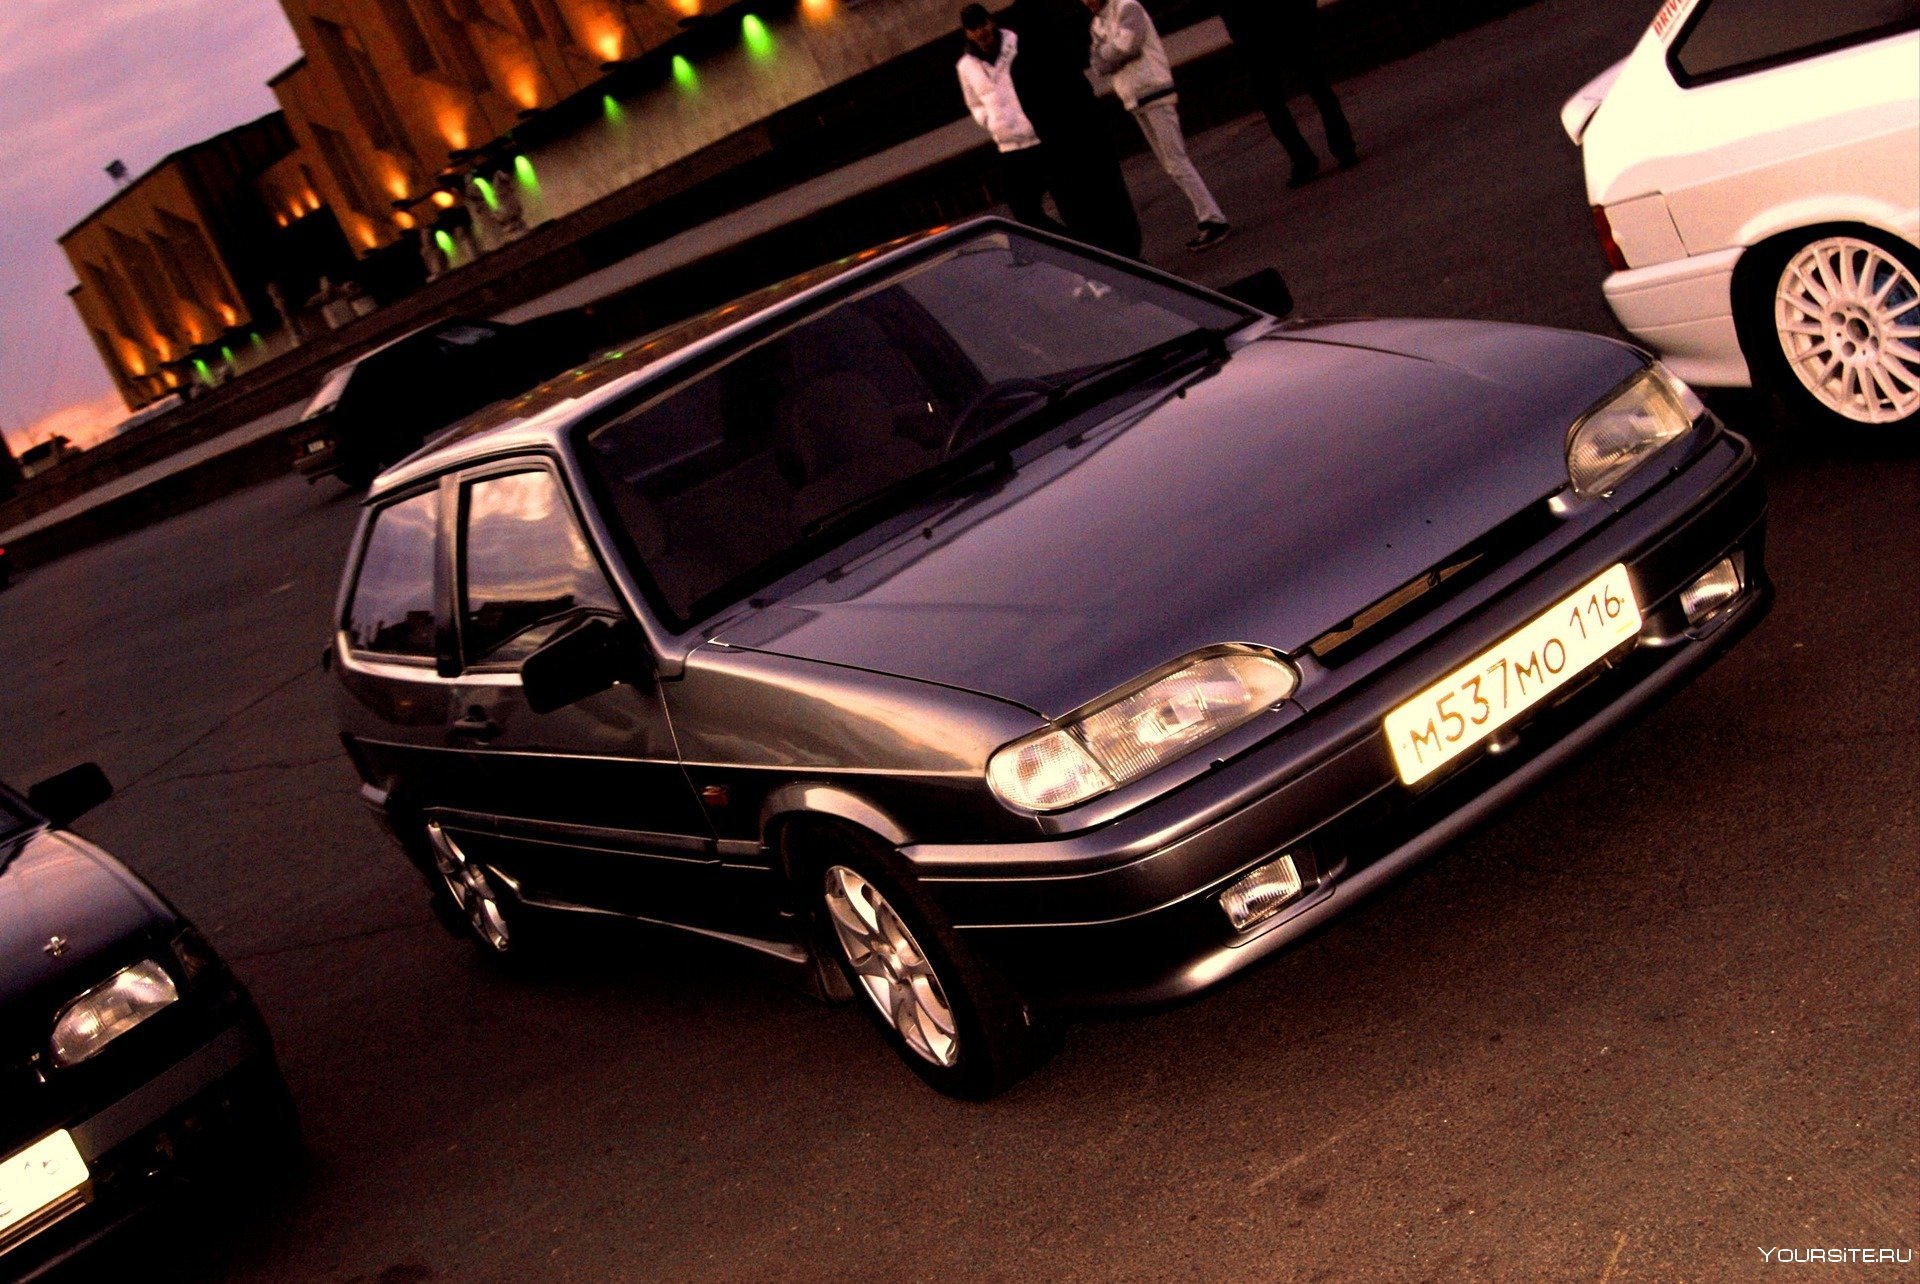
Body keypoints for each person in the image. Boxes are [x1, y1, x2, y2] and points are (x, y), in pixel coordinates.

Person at [1082, 0, 1229, 251]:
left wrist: (1107, 51)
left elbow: (1128, 47)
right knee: (1171, 164)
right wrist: (1110, 51)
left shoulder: (1127, 7)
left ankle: (1214, 220)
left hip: (1154, 91)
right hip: (1134, 99)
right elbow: (1098, 65)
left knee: (1176, 161)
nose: (1086, 2)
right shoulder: (1097, 24)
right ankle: (1209, 218)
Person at [957, 6, 1072, 237]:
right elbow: (974, 103)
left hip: (1040, 138)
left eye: (983, 24)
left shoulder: (1017, 44)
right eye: (974, 28)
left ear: (991, 22)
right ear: (968, 33)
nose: (980, 32)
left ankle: (1087, 247)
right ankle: (1067, 244)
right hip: (1010, 147)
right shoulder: (966, 66)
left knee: (1069, 202)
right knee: (1024, 211)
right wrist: (990, 121)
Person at [1219, 0, 1357, 188]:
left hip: (1256, 36)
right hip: (1287, 25)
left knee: (1273, 103)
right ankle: (1342, 148)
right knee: (1317, 88)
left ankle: (1304, 159)